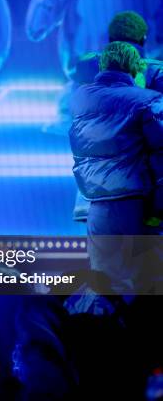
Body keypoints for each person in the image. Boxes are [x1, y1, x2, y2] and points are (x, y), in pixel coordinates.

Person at [69, 41, 163, 292]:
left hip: (95, 206)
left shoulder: (80, 99)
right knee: (142, 286)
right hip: (135, 205)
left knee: (103, 285)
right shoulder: (147, 100)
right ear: (134, 67)